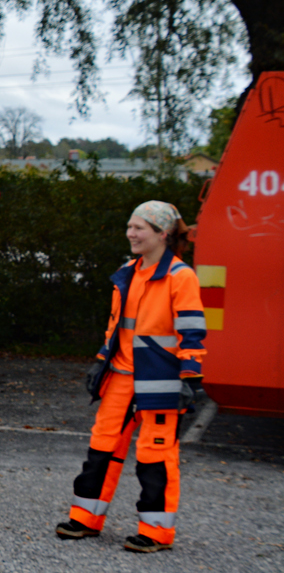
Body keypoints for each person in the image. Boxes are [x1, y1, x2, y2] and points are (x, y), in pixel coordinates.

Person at [57, 201, 204, 552]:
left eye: (139, 228)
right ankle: (85, 519)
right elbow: (116, 329)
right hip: (121, 377)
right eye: (130, 227)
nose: (131, 234)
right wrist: (100, 363)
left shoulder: (180, 276)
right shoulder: (128, 271)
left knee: (155, 457)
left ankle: (155, 532)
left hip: (161, 381)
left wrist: (191, 378)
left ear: (162, 234)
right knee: (101, 448)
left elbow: (192, 332)